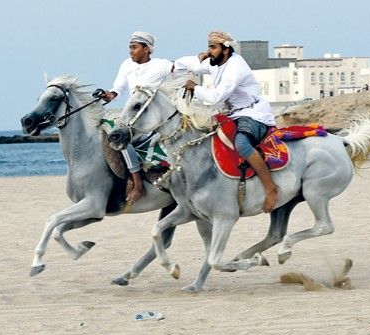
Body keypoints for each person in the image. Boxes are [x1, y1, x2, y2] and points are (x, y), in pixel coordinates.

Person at [174, 31, 279, 213]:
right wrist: (192, 60)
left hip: (253, 114)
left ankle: (271, 188)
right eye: (209, 46)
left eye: (213, 47)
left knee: (242, 144)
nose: (210, 51)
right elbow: (187, 64)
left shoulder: (235, 68)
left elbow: (215, 97)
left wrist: (195, 87)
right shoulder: (215, 62)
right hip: (232, 114)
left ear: (226, 50)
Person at [101, 31, 172, 203]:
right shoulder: (126, 64)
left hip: (150, 118)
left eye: (134, 47)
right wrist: (108, 95)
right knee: (110, 130)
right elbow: (117, 89)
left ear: (147, 49)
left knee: (123, 140)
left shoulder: (162, 65)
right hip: (130, 114)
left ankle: (138, 186)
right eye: (130, 47)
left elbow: (184, 71)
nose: (130, 51)